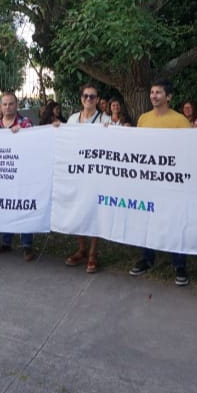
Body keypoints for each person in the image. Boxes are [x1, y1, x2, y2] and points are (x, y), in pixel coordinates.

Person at [129, 78, 193, 286]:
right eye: (152, 92)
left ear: (168, 97)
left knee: (174, 221)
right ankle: (147, 258)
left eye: (158, 92)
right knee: (146, 218)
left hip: (171, 182)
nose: (154, 96)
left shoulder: (180, 121)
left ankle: (179, 264)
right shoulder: (143, 119)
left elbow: (186, 152)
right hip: (147, 180)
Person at [61, 84, 111, 273]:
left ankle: (92, 253)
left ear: (97, 100)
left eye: (92, 96)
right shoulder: (73, 118)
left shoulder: (105, 120)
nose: (88, 99)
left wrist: (110, 130)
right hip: (76, 171)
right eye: (85, 96)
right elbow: (66, 139)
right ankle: (81, 247)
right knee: (77, 209)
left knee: (94, 211)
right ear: (81, 98)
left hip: (96, 174)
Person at [0, 92, 37, 261]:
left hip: (22, 173)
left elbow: (34, 143)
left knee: (23, 205)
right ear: (0, 106)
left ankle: (27, 245)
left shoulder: (25, 123)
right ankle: (5, 242)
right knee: (4, 206)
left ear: (17, 105)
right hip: (2, 174)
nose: (8, 107)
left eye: (11, 104)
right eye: (5, 104)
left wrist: (22, 133)